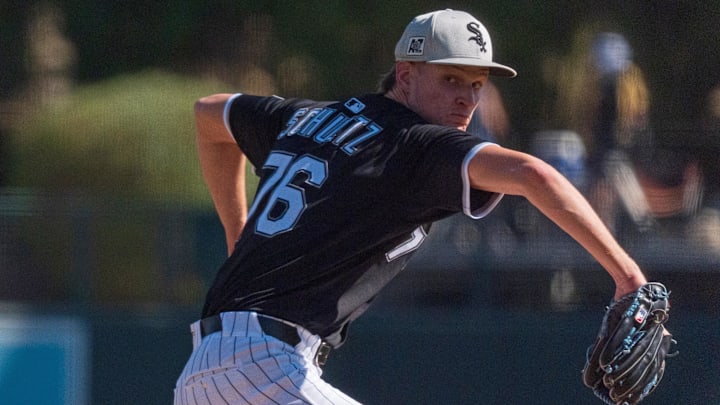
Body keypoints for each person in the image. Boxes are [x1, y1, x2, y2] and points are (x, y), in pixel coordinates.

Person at [174, 9, 656, 404]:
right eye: (451, 79)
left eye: (476, 84)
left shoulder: (307, 117)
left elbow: (208, 115)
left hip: (206, 373)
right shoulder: (416, 144)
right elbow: (535, 175)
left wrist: (237, 236)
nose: (466, 98)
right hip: (263, 370)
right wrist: (628, 277)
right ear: (405, 75)